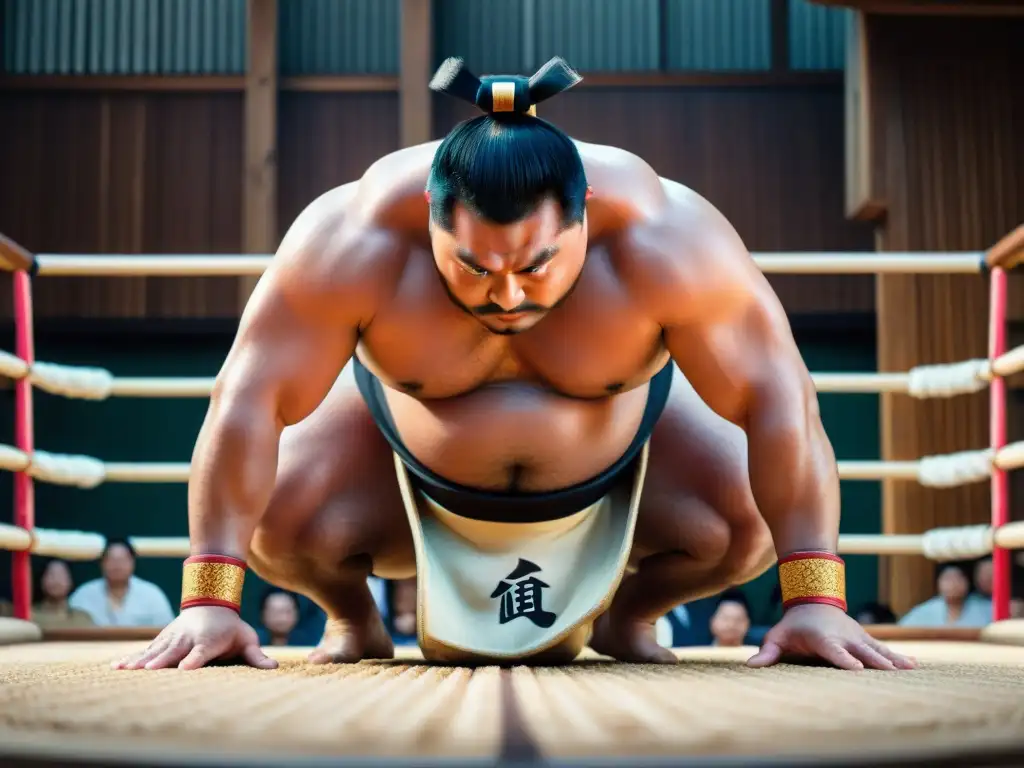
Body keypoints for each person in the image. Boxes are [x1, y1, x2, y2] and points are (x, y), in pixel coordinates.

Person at [116, 57, 913, 673]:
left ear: (584, 219)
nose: (504, 293)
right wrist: (208, 597)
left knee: (740, 526)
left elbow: (778, 398)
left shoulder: (668, 240)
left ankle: (630, 615)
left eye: (533, 268)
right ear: (427, 219)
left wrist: (816, 597)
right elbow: (247, 402)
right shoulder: (352, 238)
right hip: (399, 460)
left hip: (628, 460)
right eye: (471, 265)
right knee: (275, 523)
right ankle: (352, 617)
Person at [70, 539, 176, 628]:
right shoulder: (83, 594)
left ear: (133, 562)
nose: (117, 565)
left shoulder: (152, 594)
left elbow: (168, 630)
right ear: (102, 563)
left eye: (122, 560)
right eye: (112, 559)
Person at [899, 563, 992, 628]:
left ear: (967, 583)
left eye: (958, 578)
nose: (953, 584)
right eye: (948, 579)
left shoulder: (985, 609)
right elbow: (902, 630)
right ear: (938, 583)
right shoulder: (924, 611)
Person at [31, 558, 94, 630]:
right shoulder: (29, 616)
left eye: (61, 575)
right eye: (51, 575)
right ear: (41, 581)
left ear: (70, 581)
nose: (56, 581)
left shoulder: (83, 619)